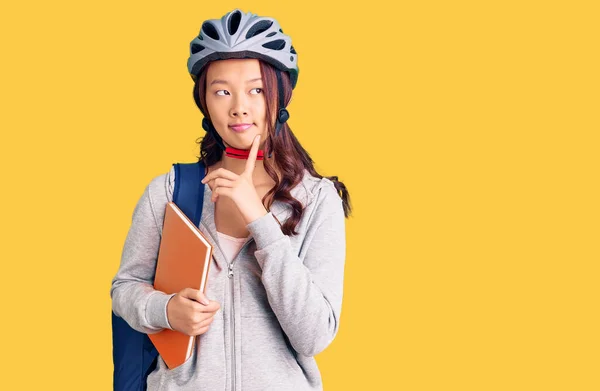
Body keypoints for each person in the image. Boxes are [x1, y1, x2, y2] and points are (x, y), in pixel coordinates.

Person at [110, 8, 352, 391]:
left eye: (256, 89)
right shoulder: (171, 191)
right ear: (204, 102)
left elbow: (314, 335)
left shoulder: (319, 199)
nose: (239, 106)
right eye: (222, 91)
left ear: (280, 96)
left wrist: (259, 219)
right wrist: (167, 310)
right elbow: (125, 288)